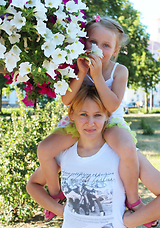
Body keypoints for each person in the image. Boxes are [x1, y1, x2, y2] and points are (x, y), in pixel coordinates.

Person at [37, 15, 142, 219]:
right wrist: (82, 71)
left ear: (115, 51)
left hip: (110, 122)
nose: (98, 49)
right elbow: (67, 100)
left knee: (127, 148)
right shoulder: (75, 66)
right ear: (83, 41)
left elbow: (112, 105)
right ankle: (55, 194)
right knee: (45, 149)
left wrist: (96, 77)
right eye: (93, 42)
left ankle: (133, 199)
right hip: (80, 121)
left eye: (106, 45)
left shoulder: (119, 71)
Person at [26, 86, 160, 228]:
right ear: (72, 114)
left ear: (107, 115)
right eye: (83, 114)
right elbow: (33, 185)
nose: (90, 123)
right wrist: (60, 210)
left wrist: (132, 221)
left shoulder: (125, 154)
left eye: (97, 115)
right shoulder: (64, 153)